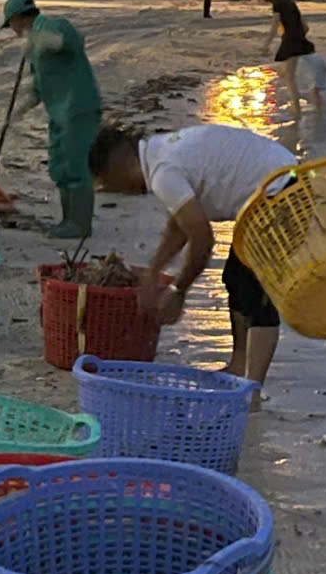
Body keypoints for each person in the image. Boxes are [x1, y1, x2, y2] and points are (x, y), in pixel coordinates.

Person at [88, 124, 295, 398]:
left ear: (117, 169)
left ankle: (251, 391)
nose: (119, 191)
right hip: (283, 178)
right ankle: (239, 366)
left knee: (256, 290)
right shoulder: (160, 151)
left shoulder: (163, 173)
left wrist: (178, 291)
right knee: (235, 277)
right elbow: (180, 224)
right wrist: (154, 271)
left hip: (283, 191)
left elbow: (202, 238)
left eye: (110, 184)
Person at [2, 0, 102, 239]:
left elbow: (71, 41)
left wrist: (42, 39)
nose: (12, 31)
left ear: (18, 18)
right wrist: (17, 112)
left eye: (11, 24)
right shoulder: (33, 46)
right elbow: (39, 86)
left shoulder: (53, 26)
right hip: (58, 112)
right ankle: (67, 219)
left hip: (78, 107)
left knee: (75, 164)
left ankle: (80, 224)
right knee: (59, 164)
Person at [262, 0, 317, 117]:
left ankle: (296, 109)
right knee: (286, 72)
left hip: (290, 41)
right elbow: (305, 26)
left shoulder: (278, 5)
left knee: (289, 77)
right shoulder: (290, 2)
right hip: (298, 39)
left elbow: (274, 26)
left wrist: (266, 44)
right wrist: (299, 36)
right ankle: (310, 101)